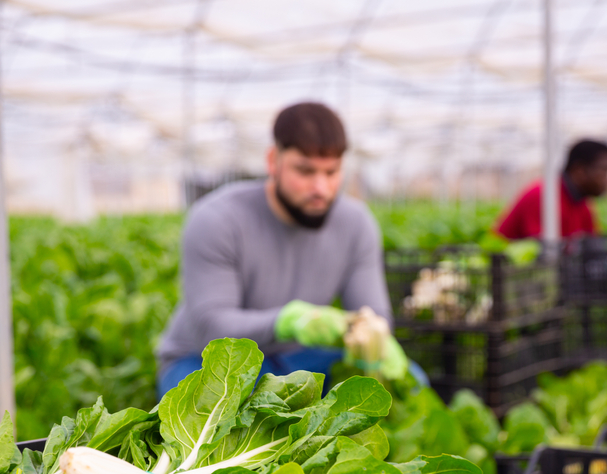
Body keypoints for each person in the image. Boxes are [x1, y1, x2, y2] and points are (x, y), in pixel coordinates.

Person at [156, 101, 417, 397]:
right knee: (216, 415)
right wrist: (288, 321)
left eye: (331, 173)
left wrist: (373, 337)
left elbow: (372, 311)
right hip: (204, 360)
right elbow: (213, 328)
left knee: (411, 383)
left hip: (298, 358)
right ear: (273, 161)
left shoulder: (356, 224)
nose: (321, 188)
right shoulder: (218, 219)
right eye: (305, 171)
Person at [495, 139, 607, 240]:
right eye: (604, 171)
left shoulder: (582, 204)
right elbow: (542, 251)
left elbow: (592, 243)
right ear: (579, 171)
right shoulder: (542, 195)